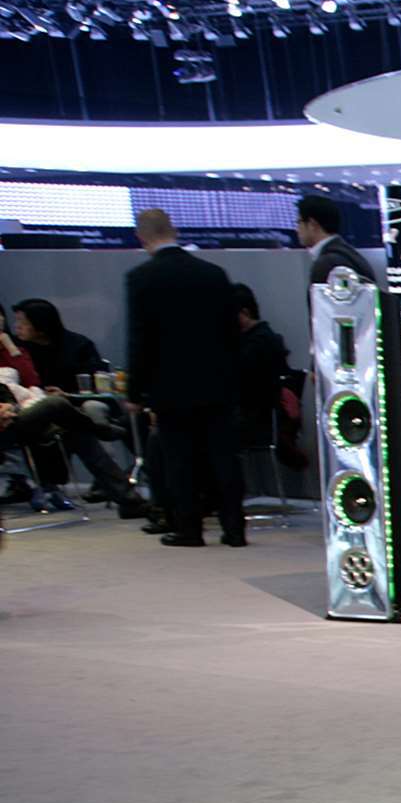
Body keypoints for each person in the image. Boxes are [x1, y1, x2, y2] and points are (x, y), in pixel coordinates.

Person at [125, 207, 244, 548]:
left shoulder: (141, 278)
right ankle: (234, 529)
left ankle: (189, 528)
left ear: (141, 237)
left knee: (180, 460)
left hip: (170, 385)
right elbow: (231, 332)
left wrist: (135, 390)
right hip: (217, 381)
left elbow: (140, 339)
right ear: (174, 230)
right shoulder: (213, 274)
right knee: (224, 457)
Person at [5, 300, 143, 514]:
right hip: (15, 416)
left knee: (77, 431)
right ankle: (100, 429)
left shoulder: (74, 345)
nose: (16, 327)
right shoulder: (17, 348)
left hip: (37, 410)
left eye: (22, 322)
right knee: (58, 406)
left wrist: (9, 346)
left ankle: (129, 500)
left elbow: (30, 378)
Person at [231, 284, 293, 460]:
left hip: (256, 421)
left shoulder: (255, 345)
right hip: (266, 420)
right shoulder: (267, 338)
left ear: (244, 313)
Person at [296, 195, 374, 287]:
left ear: (312, 224)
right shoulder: (348, 254)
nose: (297, 229)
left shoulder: (327, 264)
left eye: (299, 222)